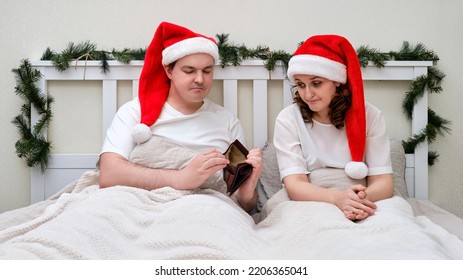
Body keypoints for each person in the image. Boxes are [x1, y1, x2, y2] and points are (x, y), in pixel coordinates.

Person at [98, 22, 262, 212]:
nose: (200, 79)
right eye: (189, 71)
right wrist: (182, 178)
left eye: (207, 71)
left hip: (204, 210)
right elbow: (109, 174)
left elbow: (244, 206)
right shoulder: (134, 112)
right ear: (169, 71)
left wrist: (247, 191)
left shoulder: (227, 122)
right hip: (138, 204)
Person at [273, 34, 394, 221]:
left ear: (336, 80)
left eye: (316, 83)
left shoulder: (371, 116)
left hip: (364, 195)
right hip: (312, 197)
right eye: (300, 85)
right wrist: (337, 198)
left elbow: (383, 182)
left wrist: (356, 201)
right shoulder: (288, 119)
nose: (307, 94)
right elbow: (295, 184)